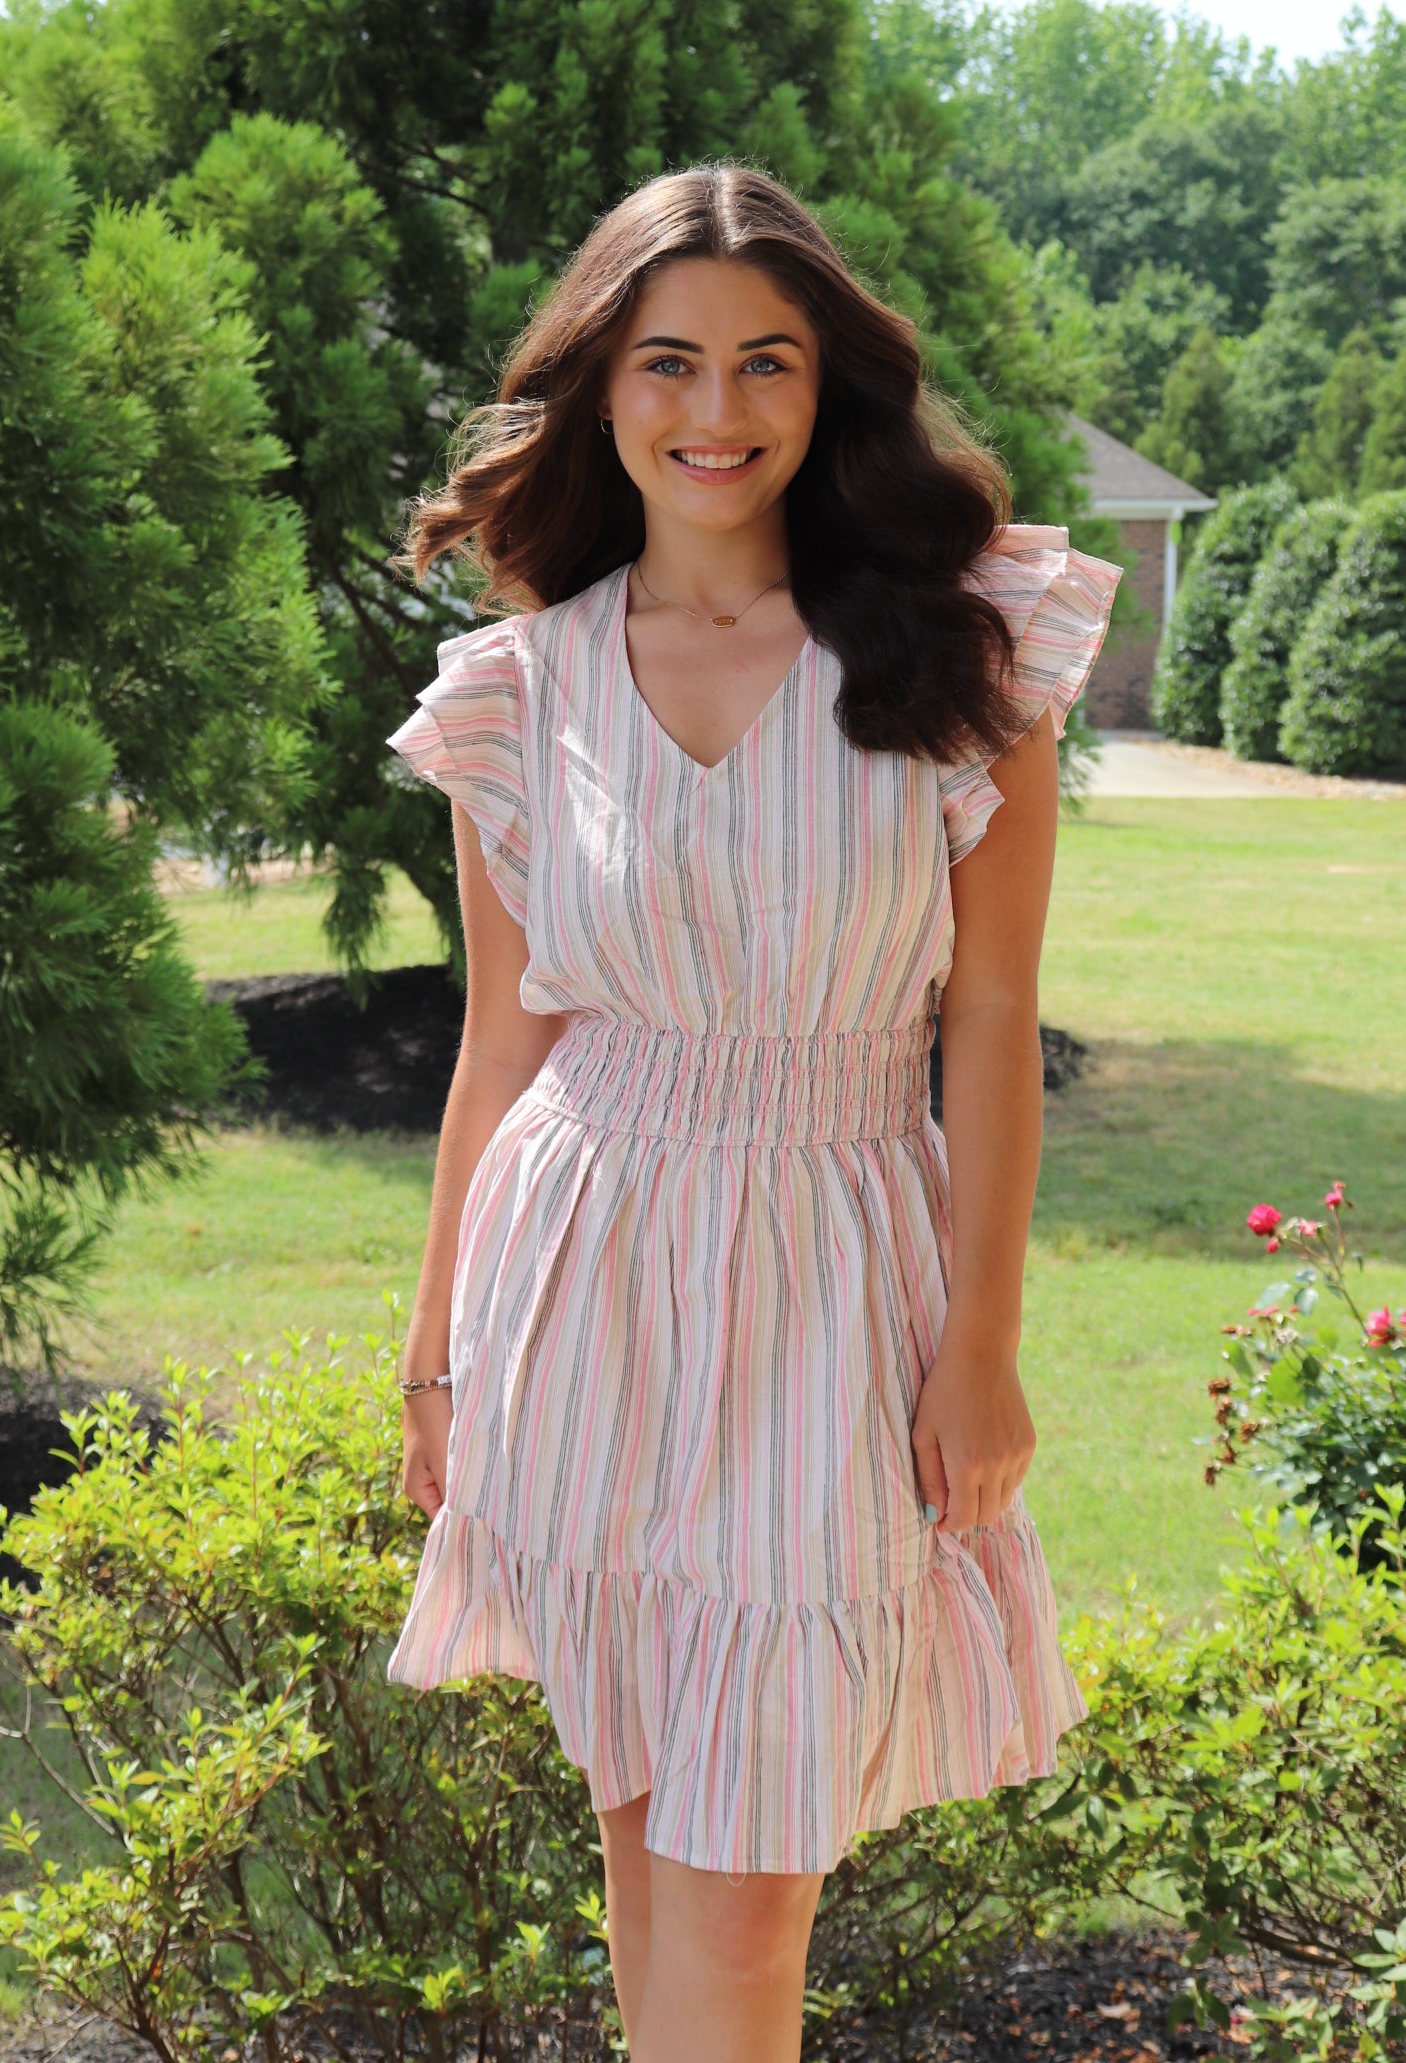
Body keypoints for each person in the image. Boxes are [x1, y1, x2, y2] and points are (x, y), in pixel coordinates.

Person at [382, 164, 1121, 2063]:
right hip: (584, 1279)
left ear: (828, 387)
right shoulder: (516, 694)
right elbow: (502, 1039)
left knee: (748, 1888)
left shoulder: (961, 657)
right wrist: (434, 1362)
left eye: (767, 364)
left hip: (833, 1288)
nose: (718, 415)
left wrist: (983, 1345)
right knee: (646, 1843)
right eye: (672, 363)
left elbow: (994, 1020)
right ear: (600, 389)